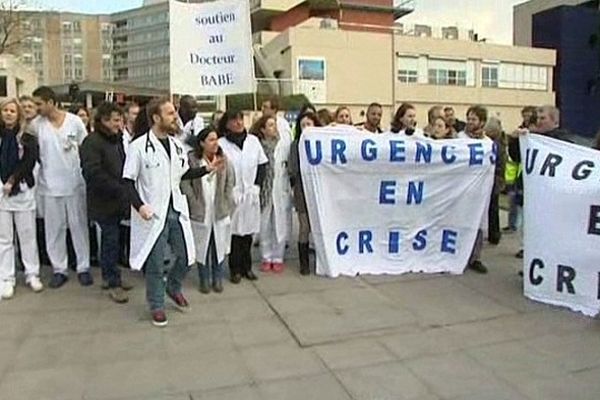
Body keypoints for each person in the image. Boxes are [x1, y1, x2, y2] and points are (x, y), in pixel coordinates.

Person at [123, 98, 218, 327]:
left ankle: (173, 287)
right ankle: (156, 305)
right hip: (153, 213)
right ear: (156, 118)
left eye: (174, 112)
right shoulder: (138, 147)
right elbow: (126, 183)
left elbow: (181, 175)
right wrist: (140, 206)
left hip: (175, 209)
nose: (175, 116)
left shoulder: (177, 145)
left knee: (187, 256)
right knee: (155, 264)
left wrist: (205, 170)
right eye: (170, 113)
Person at [32, 86, 93, 288]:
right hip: (49, 185)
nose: (37, 108)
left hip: (74, 183)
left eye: (39, 104)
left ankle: (83, 267)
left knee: (78, 226)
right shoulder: (36, 125)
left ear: (51, 102)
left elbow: (86, 148)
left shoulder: (74, 122)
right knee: (54, 229)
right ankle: (60, 268)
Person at [80, 102, 133, 304]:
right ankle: (112, 282)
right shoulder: (92, 142)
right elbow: (92, 173)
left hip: (118, 199)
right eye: (116, 120)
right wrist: (117, 187)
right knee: (110, 240)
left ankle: (111, 275)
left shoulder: (116, 139)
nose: (119, 124)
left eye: (120, 119)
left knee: (115, 239)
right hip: (103, 200)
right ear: (104, 120)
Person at [508, 105, 572, 263]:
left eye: (543, 118)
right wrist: (516, 140)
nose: (539, 121)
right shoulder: (531, 139)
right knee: (531, 231)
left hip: (552, 196)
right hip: (531, 192)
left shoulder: (562, 140)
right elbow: (516, 157)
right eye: (537, 117)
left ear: (555, 122)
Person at [181, 127, 234, 294]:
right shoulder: (193, 160)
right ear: (202, 143)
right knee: (202, 245)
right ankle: (204, 279)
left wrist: (226, 200)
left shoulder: (223, 159)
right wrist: (193, 200)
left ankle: (217, 278)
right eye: (211, 140)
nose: (215, 143)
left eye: (216, 139)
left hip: (218, 208)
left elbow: (230, 181)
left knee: (218, 244)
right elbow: (185, 182)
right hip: (200, 209)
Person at [0, 98, 44, 299]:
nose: (8, 114)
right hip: (1, 193)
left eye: (12, 111)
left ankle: (31, 273)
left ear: (18, 114)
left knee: (27, 236)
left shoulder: (27, 136)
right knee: (4, 239)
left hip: (22, 190)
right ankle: (7, 278)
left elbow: (29, 161)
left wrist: (12, 180)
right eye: (5, 110)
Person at [218, 109, 268, 284]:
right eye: (234, 120)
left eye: (241, 119)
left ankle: (247, 267)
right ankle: (235, 269)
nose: (239, 123)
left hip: (250, 194)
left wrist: (257, 186)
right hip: (232, 194)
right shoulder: (221, 144)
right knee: (234, 233)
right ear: (227, 124)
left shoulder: (253, 141)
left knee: (248, 233)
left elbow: (262, 165)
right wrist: (228, 191)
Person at [251, 115, 292, 273]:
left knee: (280, 223)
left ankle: (278, 256)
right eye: (269, 125)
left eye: (274, 125)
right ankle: (266, 257)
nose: (273, 128)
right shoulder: (259, 146)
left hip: (281, 187)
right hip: (265, 189)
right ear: (262, 129)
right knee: (265, 224)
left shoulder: (284, 143)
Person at [458, 105, 491, 274]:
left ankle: (475, 258)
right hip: (462, 190)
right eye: (468, 118)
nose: (470, 122)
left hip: (479, 192)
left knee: (478, 223)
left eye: (474, 119)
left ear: (482, 122)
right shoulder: (459, 138)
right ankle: (460, 255)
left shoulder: (487, 143)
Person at [288, 111, 322, 275]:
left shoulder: (323, 143)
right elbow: (293, 169)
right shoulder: (295, 145)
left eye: (309, 124)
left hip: (320, 190)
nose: (307, 128)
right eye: (303, 125)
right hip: (302, 189)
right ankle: (304, 263)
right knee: (304, 227)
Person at [503, 107, 536, 234]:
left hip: (531, 176)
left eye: (529, 115)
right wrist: (514, 140)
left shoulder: (538, 135)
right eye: (524, 116)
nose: (526, 118)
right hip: (518, 175)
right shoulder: (519, 132)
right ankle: (513, 226)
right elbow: (514, 156)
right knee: (515, 203)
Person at [484, 117, 506, 245]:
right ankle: (494, 234)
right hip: (497, 178)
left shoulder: (495, 145)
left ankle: (494, 234)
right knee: (493, 208)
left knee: (492, 208)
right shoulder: (501, 143)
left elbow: (498, 164)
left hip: (494, 179)